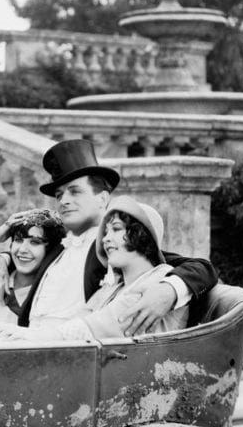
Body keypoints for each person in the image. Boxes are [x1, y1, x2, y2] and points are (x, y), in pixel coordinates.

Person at [16, 139, 216, 333]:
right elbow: (22, 258)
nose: (64, 201)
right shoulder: (59, 247)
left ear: (102, 198)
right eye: (59, 195)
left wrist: (169, 290)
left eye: (74, 192)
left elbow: (201, 268)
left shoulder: (113, 247)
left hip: (74, 351)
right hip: (26, 345)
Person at [0, 196, 189, 342]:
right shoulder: (113, 287)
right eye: (105, 232)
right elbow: (76, 321)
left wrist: (8, 330)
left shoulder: (158, 283)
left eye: (115, 229)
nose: (105, 239)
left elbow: (82, 331)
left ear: (140, 235)